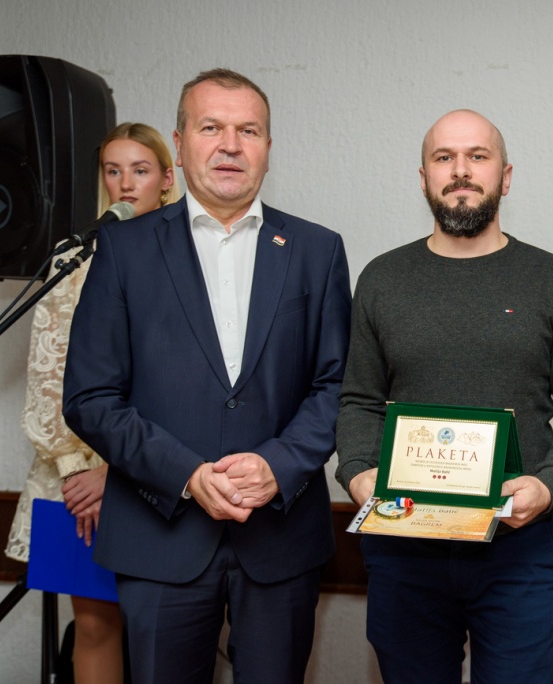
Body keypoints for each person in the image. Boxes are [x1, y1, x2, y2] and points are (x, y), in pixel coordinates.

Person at [62, 69, 351, 684]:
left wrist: (277, 465)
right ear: (180, 141)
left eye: (249, 130)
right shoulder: (123, 250)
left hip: (281, 538)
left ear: (268, 146)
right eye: (211, 127)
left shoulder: (317, 250)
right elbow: (90, 397)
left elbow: (337, 386)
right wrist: (187, 475)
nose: (230, 145)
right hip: (158, 536)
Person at [335, 109, 553, 684]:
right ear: (424, 178)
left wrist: (549, 484)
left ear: (505, 177)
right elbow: (359, 400)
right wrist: (358, 473)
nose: (461, 171)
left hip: (515, 547)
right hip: (403, 545)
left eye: (477, 157)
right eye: (444, 158)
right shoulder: (382, 279)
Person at [6, 121, 179, 684]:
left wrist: (119, 472)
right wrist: (78, 472)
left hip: (157, 478)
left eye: (140, 169)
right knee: (94, 624)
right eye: (113, 170)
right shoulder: (74, 257)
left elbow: (187, 388)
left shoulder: (192, 257)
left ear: (167, 178)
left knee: (165, 632)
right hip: (71, 476)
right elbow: (49, 375)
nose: (125, 183)